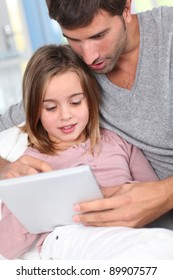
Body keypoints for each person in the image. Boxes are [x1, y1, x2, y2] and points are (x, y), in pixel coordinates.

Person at [0, 0, 173, 229]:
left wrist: (164, 193)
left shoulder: (167, 33)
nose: (90, 57)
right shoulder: (74, 72)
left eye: (99, 35)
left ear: (126, 8)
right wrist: (4, 168)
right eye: (73, 39)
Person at [0, 44, 161, 259]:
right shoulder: (29, 164)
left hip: (125, 231)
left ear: (90, 99)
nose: (65, 115)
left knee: (156, 247)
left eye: (75, 102)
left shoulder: (119, 143)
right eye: (51, 108)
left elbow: (152, 196)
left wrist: (120, 193)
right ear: (35, 111)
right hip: (68, 237)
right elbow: (6, 246)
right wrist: (35, 208)